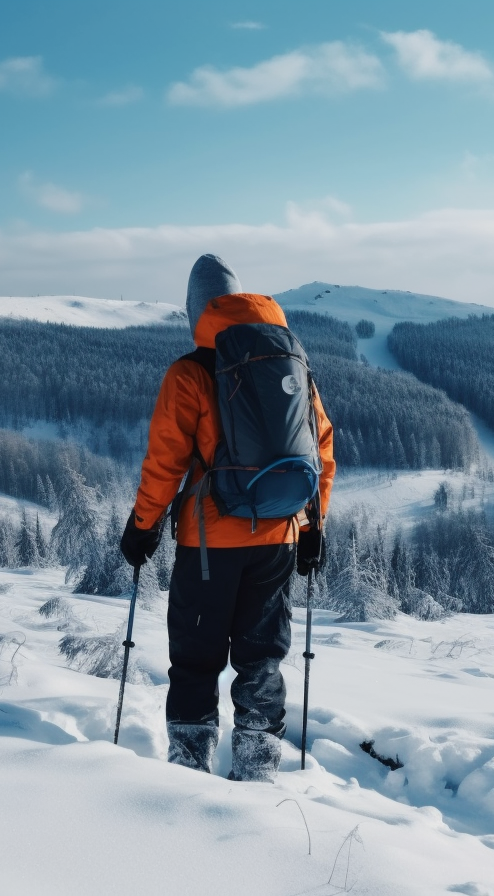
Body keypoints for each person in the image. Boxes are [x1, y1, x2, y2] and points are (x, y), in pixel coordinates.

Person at [120, 254, 335, 782]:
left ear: (197, 311)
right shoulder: (289, 362)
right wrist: (312, 529)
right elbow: (321, 452)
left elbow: (165, 462)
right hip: (279, 536)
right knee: (262, 658)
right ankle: (258, 772)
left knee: (196, 659)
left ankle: (189, 773)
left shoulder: (190, 372)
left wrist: (142, 527)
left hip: (209, 546)